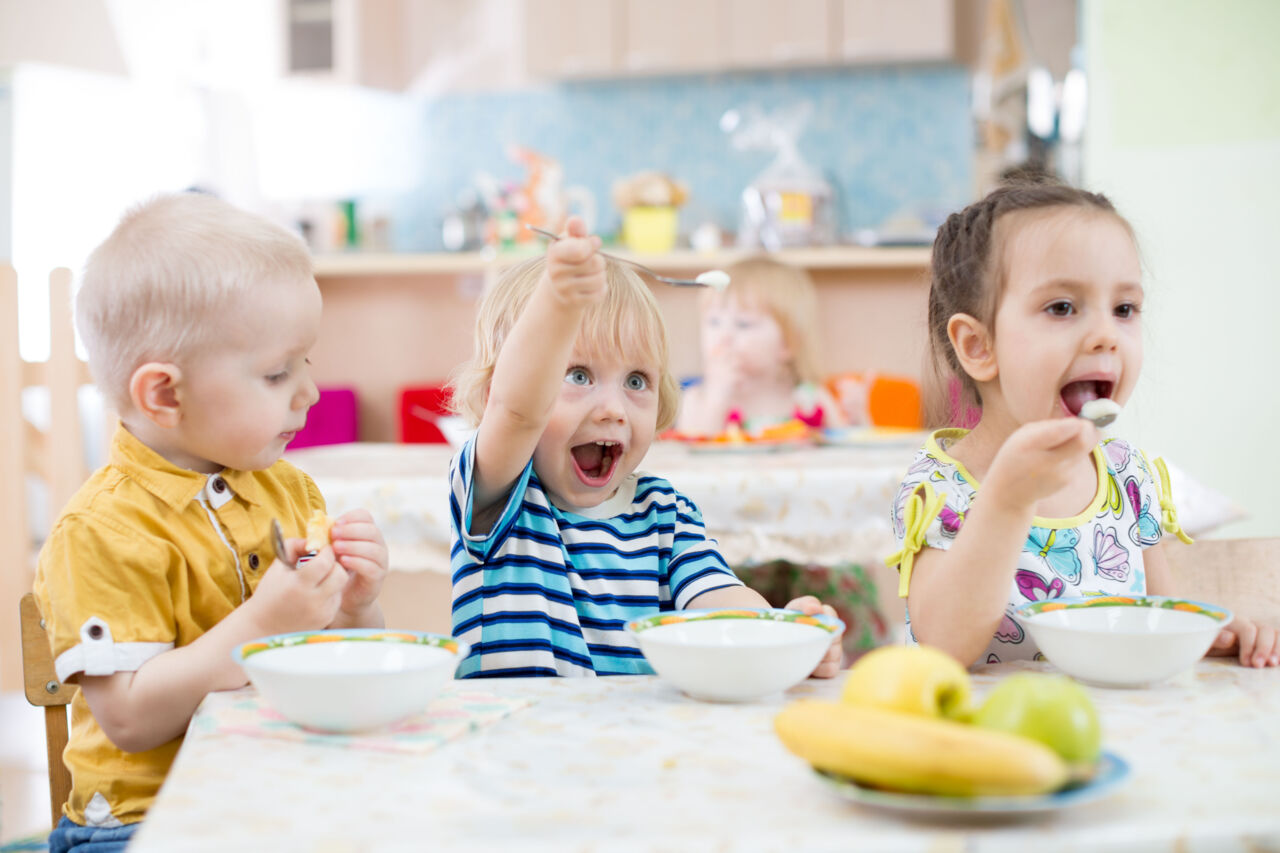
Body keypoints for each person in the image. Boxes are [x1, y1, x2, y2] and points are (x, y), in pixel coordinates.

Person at [33, 192, 390, 851]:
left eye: (304, 362)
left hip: (277, 790)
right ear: (164, 394)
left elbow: (328, 656)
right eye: (278, 372)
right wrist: (261, 625)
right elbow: (132, 720)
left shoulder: (287, 488)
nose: (309, 392)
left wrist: (356, 608)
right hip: (148, 821)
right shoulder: (101, 531)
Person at [887, 181, 1279, 667]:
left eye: (1124, 309)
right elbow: (943, 647)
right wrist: (1008, 498)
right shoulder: (942, 488)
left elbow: (1160, 617)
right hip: (980, 735)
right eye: (1062, 308)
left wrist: (1209, 634)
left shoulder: (1126, 476)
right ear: (977, 346)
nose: (1105, 335)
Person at [446, 218, 843, 678]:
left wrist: (782, 632)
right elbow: (517, 411)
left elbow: (717, 597)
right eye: (578, 375)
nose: (614, 408)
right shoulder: (497, 494)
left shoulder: (665, 512)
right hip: (508, 745)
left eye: (636, 381)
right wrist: (558, 304)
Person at [676, 256, 847, 436]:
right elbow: (694, 449)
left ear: (787, 344)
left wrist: (861, 419)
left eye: (743, 324)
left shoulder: (812, 400)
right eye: (713, 322)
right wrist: (717, 395)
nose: (724, 336)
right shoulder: (697, 399)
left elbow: (848, 452)